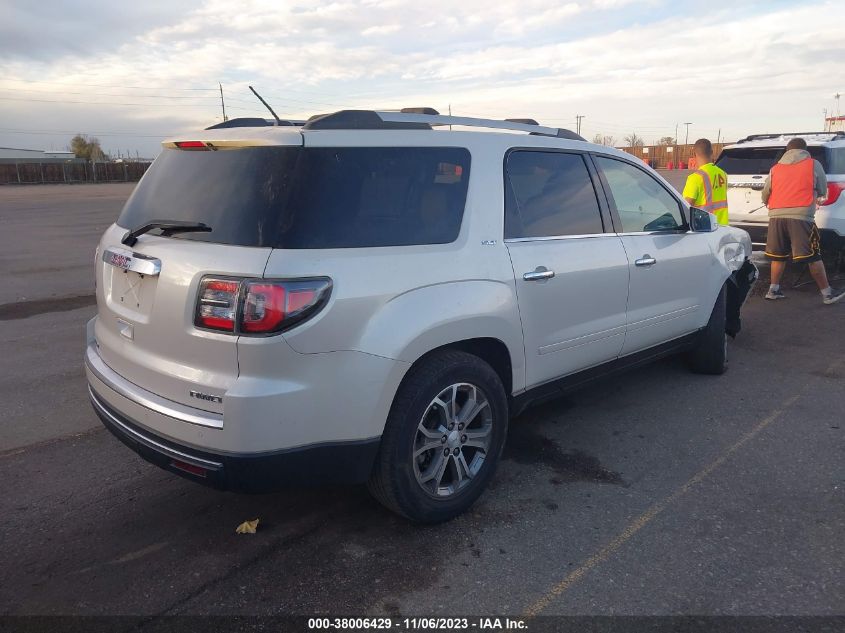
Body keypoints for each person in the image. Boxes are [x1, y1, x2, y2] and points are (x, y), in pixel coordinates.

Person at [762, 137, 844, 305]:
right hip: (801, 217)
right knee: (812, 255)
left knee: (778, 255)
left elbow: (765, 193)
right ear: (805, 150)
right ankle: (827, 294)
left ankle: (773, 289)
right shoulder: (813, 164)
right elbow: (822, 189)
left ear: (787, 151)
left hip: (776, 216)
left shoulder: (775, 168)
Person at [682, 138, 729, 226]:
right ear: (712, 152)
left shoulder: (695, 178)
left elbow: (685, 207)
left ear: (694, 154)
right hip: (722, 227)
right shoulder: (723, 174)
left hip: (704, 229)